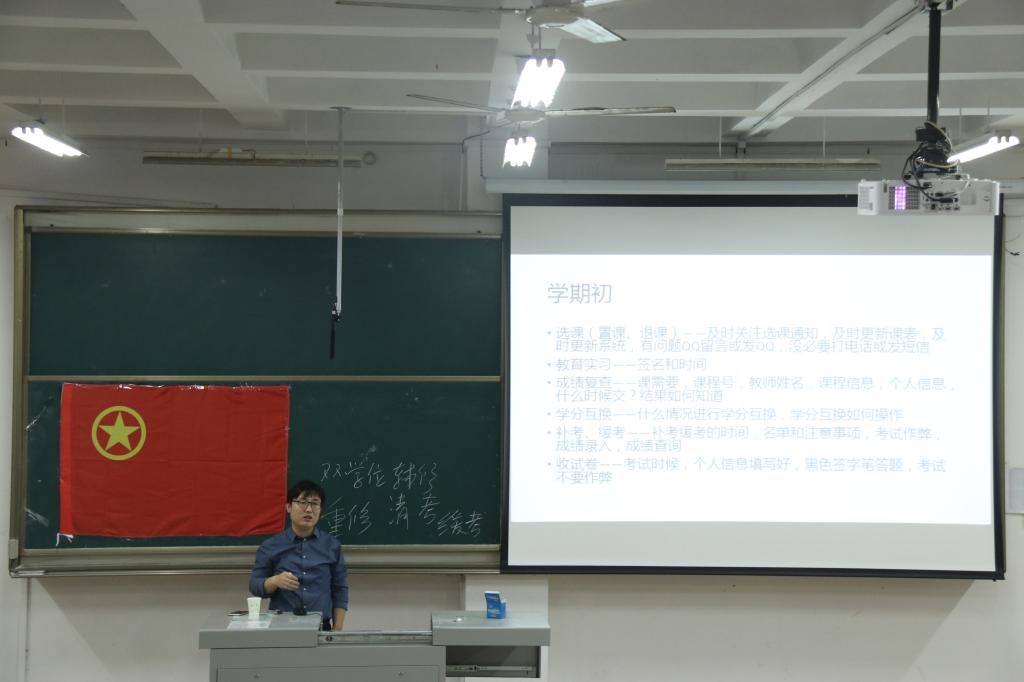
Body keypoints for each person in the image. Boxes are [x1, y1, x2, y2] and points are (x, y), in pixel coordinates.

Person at [249, 480, 348, 630]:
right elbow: (255, 586)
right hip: (281, 628)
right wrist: (275, 581)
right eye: (302, 502)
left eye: (315, 503)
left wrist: (337, 631)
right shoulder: (270, 546)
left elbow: (340, 589)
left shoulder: (331, 546)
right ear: (288, 507)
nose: (308, 509)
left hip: (321, 627)